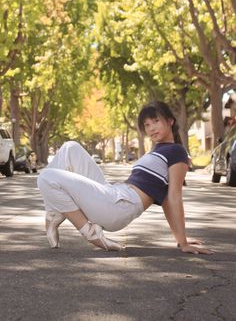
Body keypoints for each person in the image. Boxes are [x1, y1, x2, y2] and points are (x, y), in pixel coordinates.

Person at [37, 101, 213, 255]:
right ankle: (54, 213)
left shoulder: (177, 152)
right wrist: (180, 239)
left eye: (156, 121)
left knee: (46, 177)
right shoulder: (157, 151)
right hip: (115, 193)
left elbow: (173, 197)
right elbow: (166, 199)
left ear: (170, 121)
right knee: (70, 148)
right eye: (147, 124)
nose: (151, 128)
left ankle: (91, 234)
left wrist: (183, 242)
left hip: (120, 206)